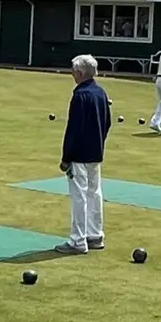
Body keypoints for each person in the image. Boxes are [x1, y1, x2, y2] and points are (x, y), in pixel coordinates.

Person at [56, 54, 112, 255]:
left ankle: (78, 240)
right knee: (94, 193)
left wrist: (65, 158)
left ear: (80, 73)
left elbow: (74, 130)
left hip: (79, 154)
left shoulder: (80, 96)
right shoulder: (101, 93)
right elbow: (107, 123)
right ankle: (95, 235)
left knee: (80, 196)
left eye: (73, 71)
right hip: (95, 152)